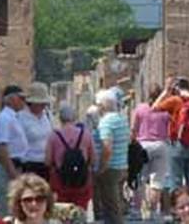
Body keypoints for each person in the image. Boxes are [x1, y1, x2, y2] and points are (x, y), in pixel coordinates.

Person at [152, 75, 189, 200]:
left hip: (177, 145)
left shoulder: (175, 101)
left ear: (177, 88)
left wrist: (166, 91)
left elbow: (154, 108)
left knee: (176, 180)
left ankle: (177, 209)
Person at [131, 84, 172, 218]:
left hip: (142, 145)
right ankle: (153, 212)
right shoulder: (166, 111)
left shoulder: (140, 108)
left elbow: (133, 129)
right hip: (161, 145)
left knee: (139, 179)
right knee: (157, 181)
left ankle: (136, 211)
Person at [0, 84, 30, 216]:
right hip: (7, 167)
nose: (24, 102)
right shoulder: (4, 118)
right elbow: (1, 147)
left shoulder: (14, 117)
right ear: (11, 99)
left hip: (16, 165)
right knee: (6, 204)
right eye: (21, 98)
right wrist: (12, 172)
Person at [47, 102, 94, 210]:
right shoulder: (85, 134)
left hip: (60, 179)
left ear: (60, 118)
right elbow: (93, 159)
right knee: (80, 210)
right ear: (74, 117)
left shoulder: (54, 136)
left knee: (62, 211)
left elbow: (48, 161)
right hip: (81, 179)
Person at [95, 88, 130, 224]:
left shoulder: (106, 122)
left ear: (102, 106)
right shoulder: (122, 119)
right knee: (117, 204)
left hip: (110, 168)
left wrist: (102, 167)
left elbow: (107, 148)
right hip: (122, 165)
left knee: (111, 208)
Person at [17, 82, 54, 178]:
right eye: (40, 104)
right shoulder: (21, 118)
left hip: (46, 163)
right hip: (29, 163)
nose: (43, 106)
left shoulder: (47, 115)